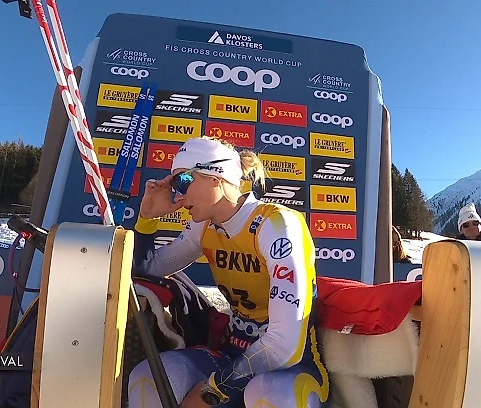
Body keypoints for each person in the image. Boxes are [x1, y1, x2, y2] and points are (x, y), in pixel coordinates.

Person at [126, 136, 329, 408]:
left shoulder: (277, 224)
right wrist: (147, 220)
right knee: (146, 379)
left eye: (182, 181)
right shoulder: (204, 227)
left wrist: (213, 390)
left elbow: (284, 345)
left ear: (216, 177)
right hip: (231, 356)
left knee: (268, 395)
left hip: (291, 367)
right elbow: (146, 271)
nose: (178, 196)